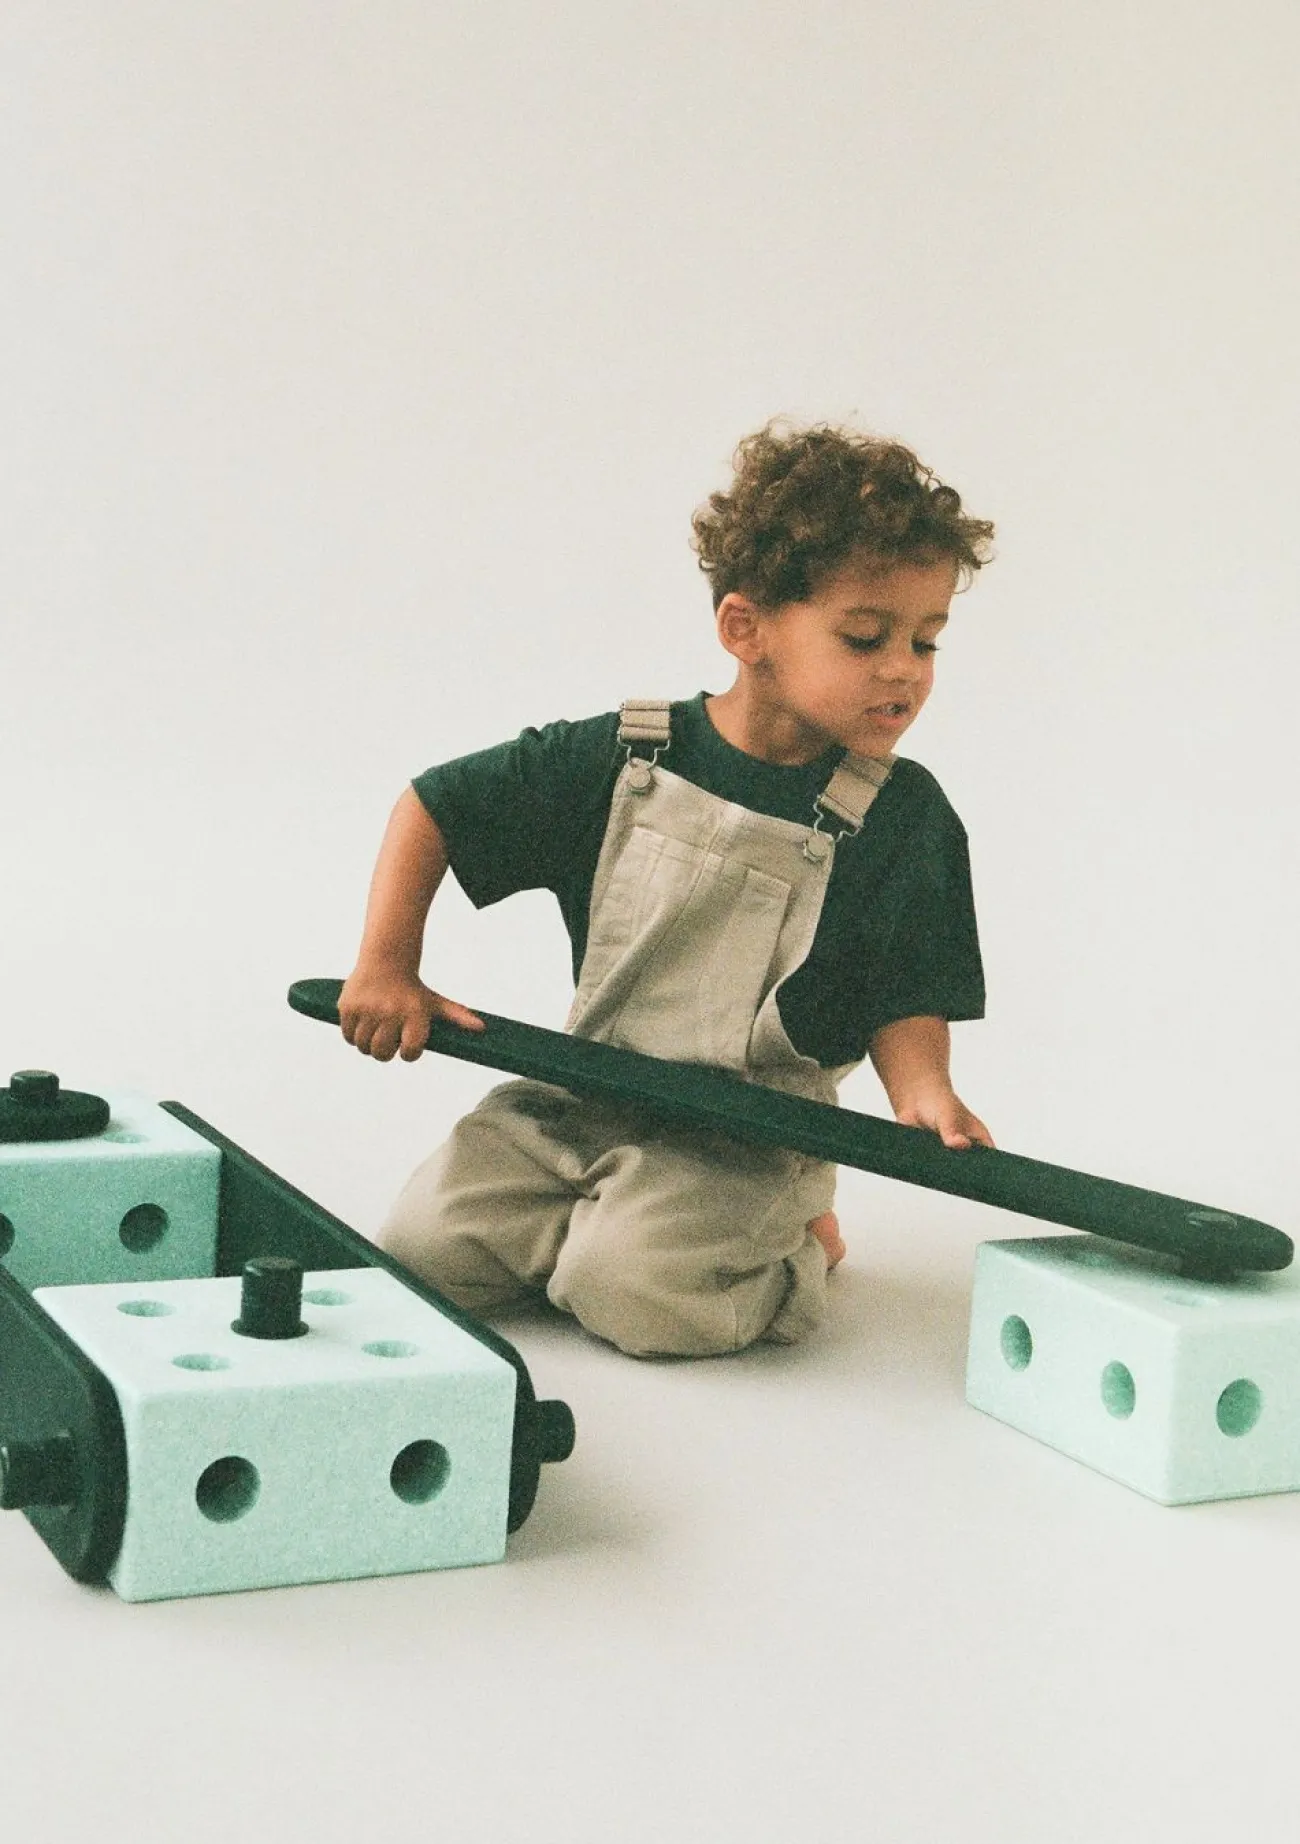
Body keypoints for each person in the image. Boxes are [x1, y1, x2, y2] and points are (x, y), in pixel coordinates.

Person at [338, 418, 996, 1358]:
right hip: (579, 1091)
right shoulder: (627, 756)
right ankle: (594, 1221)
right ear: (745, 629)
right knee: (422, 1252)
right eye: (865, 636)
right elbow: (434, 806)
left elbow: (908, 979)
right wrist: (387, 965)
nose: (903, 669)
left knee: (638, 1295)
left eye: (925, 643)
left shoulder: (901, 814)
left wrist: (924, 1089)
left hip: (744, 1135)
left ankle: (797, 1245)